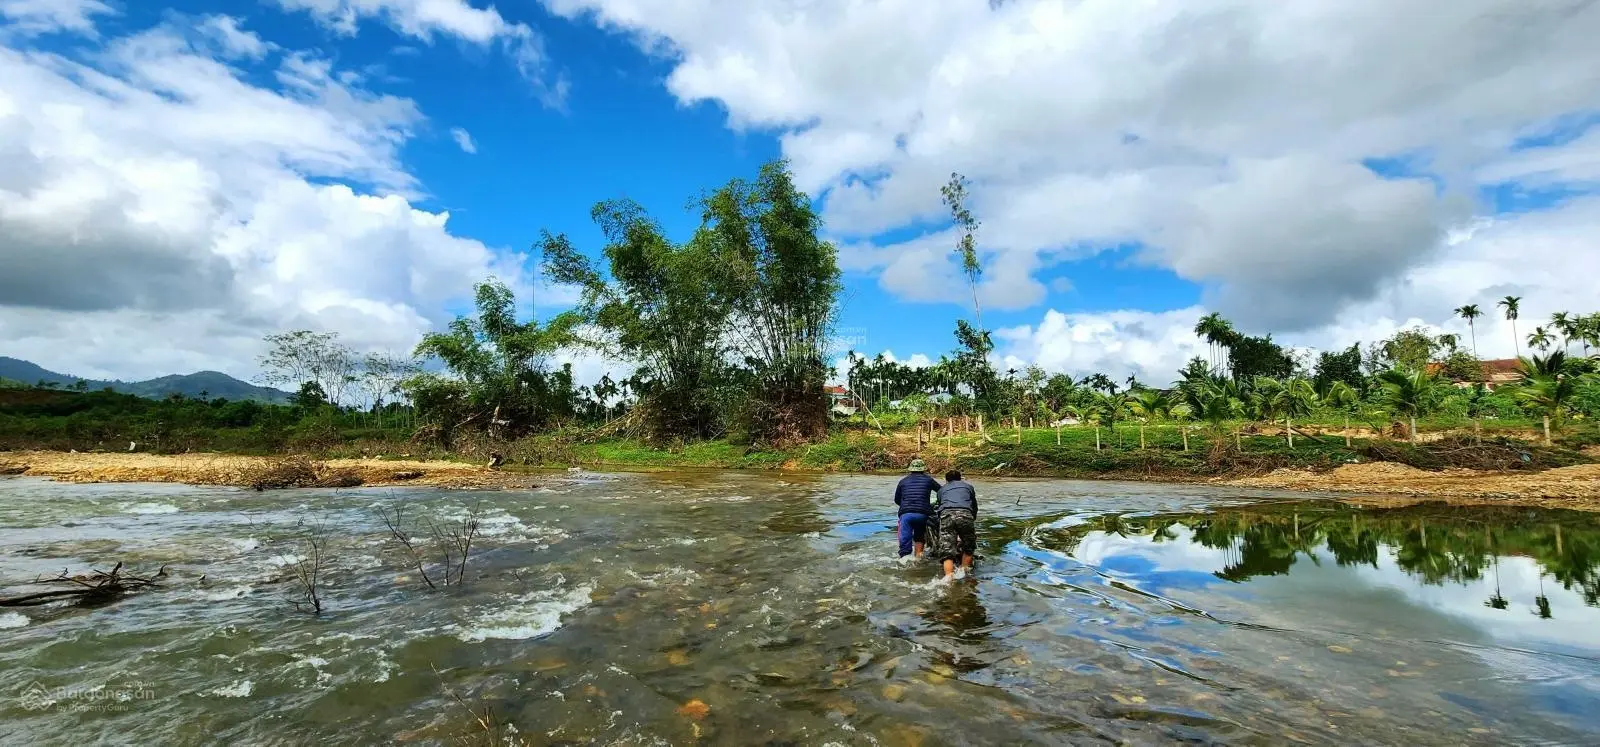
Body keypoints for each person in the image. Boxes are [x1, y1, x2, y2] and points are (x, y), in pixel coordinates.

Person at [934, 469, 977, 579]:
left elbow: (940, 505)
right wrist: (972, 519)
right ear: (960, 478)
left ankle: (949, 578)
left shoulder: (942, 489)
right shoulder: (968, 487)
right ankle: (964, 572)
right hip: (965, 514)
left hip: (946, 515)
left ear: (946, 480)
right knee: (969, 545)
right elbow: (974, 506)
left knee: (947, 549)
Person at [893, 458, 940, 558]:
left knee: (905, 539)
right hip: (922, 514)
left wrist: (906, 506)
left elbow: (897, 500)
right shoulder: (929, 480)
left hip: (906, 515)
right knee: (919, 536)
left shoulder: (903, 481)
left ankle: (904, 559)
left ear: (910, 469)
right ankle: (918, 557)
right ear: (923, 469)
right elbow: (941, 491)